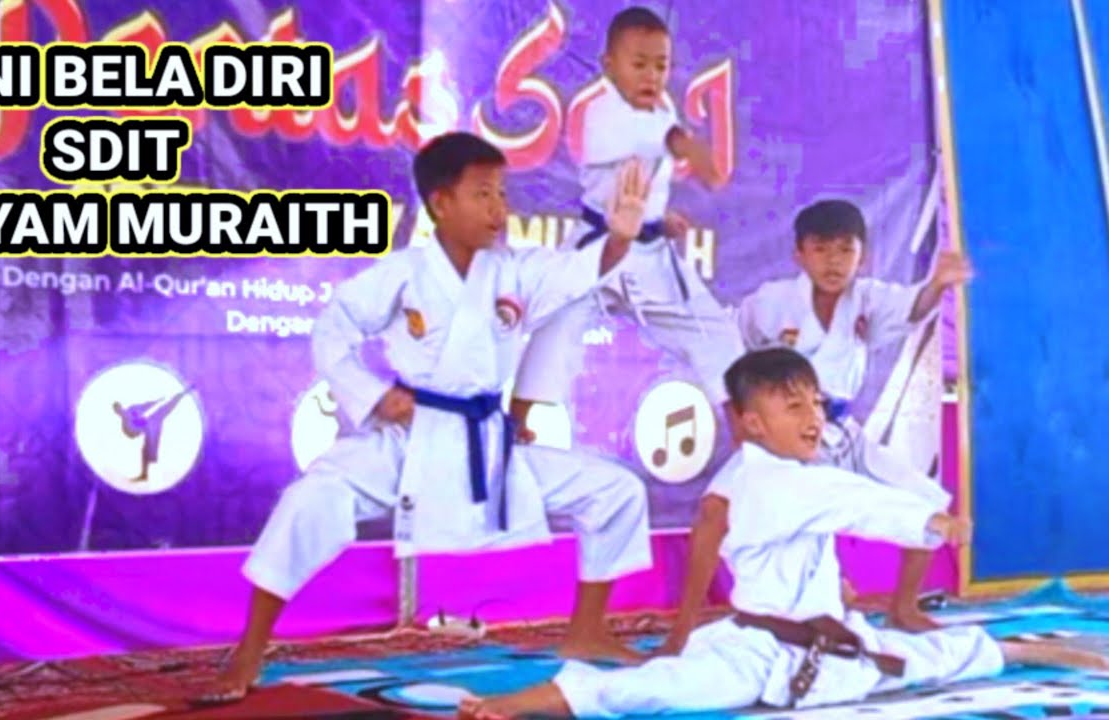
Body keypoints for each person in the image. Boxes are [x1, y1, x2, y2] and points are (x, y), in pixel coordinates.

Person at [197, 132, 657, 703]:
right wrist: (373, 395)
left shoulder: (516, 271)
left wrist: (619, 237)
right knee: (309, 500)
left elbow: (578, 272)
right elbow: (332, 329)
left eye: (502, 193)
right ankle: (249, 649)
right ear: (441, 203)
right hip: (412, 439)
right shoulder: (404, 273)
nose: (499, 208)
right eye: (482, 194)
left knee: (616, 490)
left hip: (487, 446)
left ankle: (586, 631)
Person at [457, 348, 1108, 719]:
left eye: (815, 402)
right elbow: (858, 503)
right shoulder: (778, 482)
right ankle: (518, 703)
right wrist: (928, 521)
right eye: (792, 406)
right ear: (751, 422)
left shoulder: (784, 473)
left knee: (926, 658)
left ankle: (1030, 651)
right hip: (759, 652)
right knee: (657, 689)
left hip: (832, 643)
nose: (812, 416)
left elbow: (840, 503)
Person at [711, 198, 973, 632]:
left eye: (845, 250)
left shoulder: (868, 297)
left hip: (841, 431)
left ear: (862, 255)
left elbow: (913, 307)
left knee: (925, 500)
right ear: (799, 254)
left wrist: (938, 285)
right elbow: (730, 351)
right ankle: (693, 622)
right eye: (821, 249)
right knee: (713, 511)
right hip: (782, 440)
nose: (834, 262)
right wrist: (742, 418)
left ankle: (903, 607)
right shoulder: (772, 301)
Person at [509, 6, 744, 445]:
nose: (651, 76)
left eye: (661, 66)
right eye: (639, 65)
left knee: (713, 328)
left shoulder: (661, 112)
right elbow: (665, 142)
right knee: (555, 323)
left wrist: (660, 219)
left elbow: (647, 175)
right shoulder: (602, 113)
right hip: (597, 246)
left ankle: (745, 429)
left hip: (650, 253)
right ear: (608, 65)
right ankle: (517, 420)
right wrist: (690, 148)